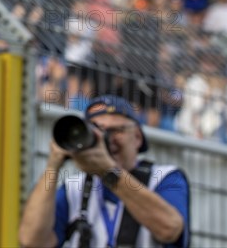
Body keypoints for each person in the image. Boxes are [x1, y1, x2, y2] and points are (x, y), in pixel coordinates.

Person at [19, 95, 190, 248]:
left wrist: (108, 171)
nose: (108, 140)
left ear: (137, 137)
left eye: (116, 131)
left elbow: (170, 229)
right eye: (98, 130)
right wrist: (53, 166)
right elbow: (32, 241)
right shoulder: (74, 188)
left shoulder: (164, 177)